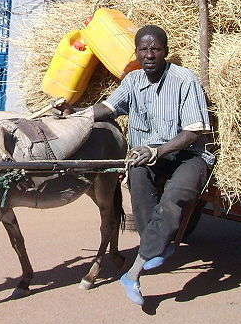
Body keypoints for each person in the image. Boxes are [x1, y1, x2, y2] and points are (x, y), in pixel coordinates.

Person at [89, 24, 213, 306]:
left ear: (165, 52)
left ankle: (134, 270)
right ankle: (154, 244)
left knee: (175, 196)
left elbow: (193, 132)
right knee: (137, 174)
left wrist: (156, 151)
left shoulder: (184, 80)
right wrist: (79, 116)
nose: (149, 55)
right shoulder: (132, 81)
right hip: (148, 156)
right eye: (143, 49)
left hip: (187, 154)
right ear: (136, 53)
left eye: (155, 49)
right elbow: (108, 108)